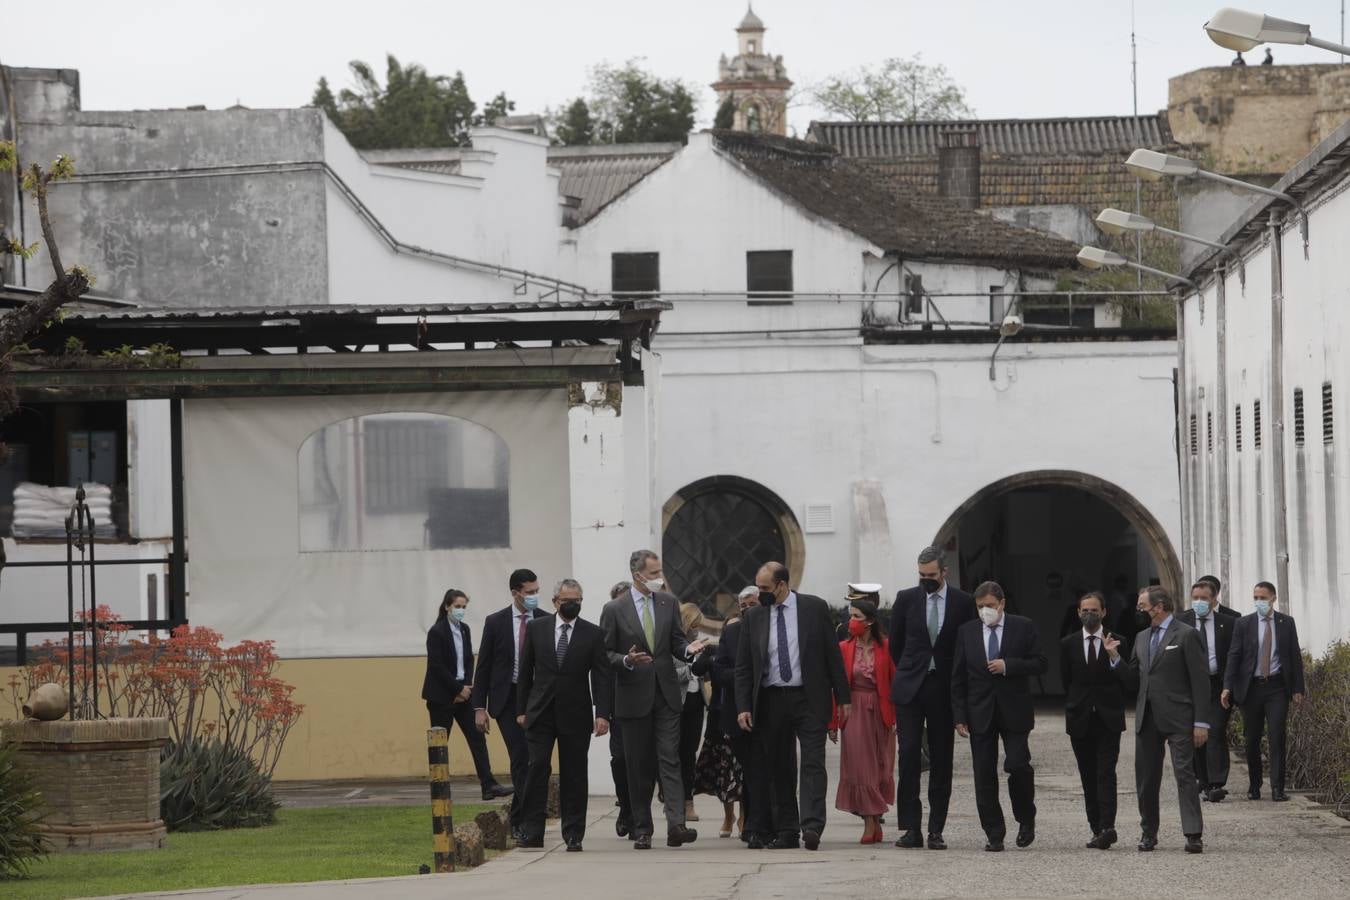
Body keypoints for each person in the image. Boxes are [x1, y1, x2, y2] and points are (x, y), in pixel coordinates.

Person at [735, 561, 851, 851]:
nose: (760, 594)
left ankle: (811, 826)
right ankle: (787, 830)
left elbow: (831, 655)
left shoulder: (814, 608)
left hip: (809, 697)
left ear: (782, 585)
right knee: (779, 767)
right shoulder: (755, 618)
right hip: (771, 699)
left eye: (764, 589)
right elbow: (744, 667)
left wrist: (843, 697)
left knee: (813, 762)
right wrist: (744, 706)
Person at [599, 550, 706, 850]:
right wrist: (627, 660)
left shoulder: (668, 602)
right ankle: (642, 828)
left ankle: (677, 825)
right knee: (638, 765)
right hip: (632, 696)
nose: (661, 578)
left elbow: (675, 641)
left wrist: (688, 650)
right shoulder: (614, 609)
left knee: (669, 759)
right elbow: (604, 655)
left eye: (661, 571)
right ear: (638, 576)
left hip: (666, 695)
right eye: (655, 573)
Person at [1104, 585, 1209, 854]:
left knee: (1184, 774)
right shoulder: (1140, 638)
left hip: (1179, 717)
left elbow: (1200, 681)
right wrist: (1114, 657)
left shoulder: (1187, 635)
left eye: (1142, 606)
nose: (1138, 610)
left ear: (1158, 606)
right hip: (1147, 717)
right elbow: (1133, 679)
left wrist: (1201, 722)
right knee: (1146, 778)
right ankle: (1148, 832)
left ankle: (1193, 833)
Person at [889, 545, 977, 850]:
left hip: (943, 690)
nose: (925, 580)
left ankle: (936, 829)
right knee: (910, 754)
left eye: (931, 575)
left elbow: (966, 646)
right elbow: (896, 645)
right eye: (921, 574)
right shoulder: (906, 599)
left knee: (942, 760)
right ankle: (911, 828)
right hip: (911, 688)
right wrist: (911, 670)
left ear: (944, 572)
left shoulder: (963, 602)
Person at [515, 579, 612, 851]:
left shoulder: (593, 634)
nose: (573, 605)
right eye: (568, 600)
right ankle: (532, 831)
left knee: (575, 774)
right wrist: (521, 710)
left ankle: (573, 834)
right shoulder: (537, 628)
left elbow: (602, 677)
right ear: (556, 601)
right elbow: (525, 672)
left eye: (577, 601)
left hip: (576, 713)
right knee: (536, 770)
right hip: (540, 713)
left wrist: (603, 714)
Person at [952, 581, 1047, 852]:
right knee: (983, 773)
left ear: (1002, 604)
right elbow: (958, 677)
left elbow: (1041, 662)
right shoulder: (967, 632)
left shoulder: (1022, 626)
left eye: (990, 606)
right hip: (979, 711)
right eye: (980, 607)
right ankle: (994, 832)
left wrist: (1009, 666)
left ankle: (1026, 817)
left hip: (1014, 710)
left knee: (1018, 765)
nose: (985, 611)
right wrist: (959, 714)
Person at [471, 568, 548, 840]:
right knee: (520, 757)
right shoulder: (496, 622)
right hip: (507, 699)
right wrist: (479, 707)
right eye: (529, 592)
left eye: (537, 591)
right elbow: (484, 667)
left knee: (535, 760)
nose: (534, 596)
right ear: (515, 593)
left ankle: (524, 816)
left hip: (537, 700)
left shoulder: (545, 620)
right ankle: (522, 820)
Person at [422, 589, 513, 804]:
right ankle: (439, 789)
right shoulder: (437, 631)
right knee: (440, 744)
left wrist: (467, 688)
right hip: (442, 697)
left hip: (464, 695)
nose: (461, 611)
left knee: (477, 737)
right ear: (447, 607)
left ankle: (488, 784)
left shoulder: (464, 629)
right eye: (457, 607)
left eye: (464, 607)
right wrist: (456, 689)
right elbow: (436, 666)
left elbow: (469, 661)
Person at [1221, 581, 1306, 802]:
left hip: (1277, 687)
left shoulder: (1286, 623)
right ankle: (1255, 784)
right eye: (1256, 597)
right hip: (1251, 688)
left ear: (1273, 598)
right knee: (1251, 739)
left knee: (1277, 735)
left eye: (1263, 597)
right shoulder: (1244, 624)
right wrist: (1227, 686)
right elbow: (1234, 656)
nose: (1259, 601)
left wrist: (1298, 688)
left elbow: (1294, 656)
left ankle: (1278, 788)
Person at [1060, 591, 1126, 850]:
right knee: (1087, 775)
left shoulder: (1118, 640)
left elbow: (1127, 679)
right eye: (1085, 610)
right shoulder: (1068, 643)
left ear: (1104, 612)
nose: (1089, 614)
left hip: (1109, 717)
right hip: (1080, 718)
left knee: (1105, 773)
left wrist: (1113, 657)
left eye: (1094, 610)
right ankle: (1096, 827)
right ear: (1078, 613)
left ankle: (1108, 826)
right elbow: (1067, 681)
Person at [830, 585, 895, 845]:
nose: (851, 622)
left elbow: (894, 680)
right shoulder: (844, 648)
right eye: (851, 616)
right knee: (861, 768)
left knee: (881, 766)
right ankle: (869, 822)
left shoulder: (886, 647)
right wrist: (833, 722)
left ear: (869, 622)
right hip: (854, 710)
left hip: (880, 712)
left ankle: (876, 820)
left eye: (856, 617)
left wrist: (895, 718)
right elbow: (836, 686)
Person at [1179, 580, 1236, 802]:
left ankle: (1216, 782)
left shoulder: (1229, 623)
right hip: (1190, 687)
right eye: (1196, 598)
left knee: (1215, 731)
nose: (1199, 602)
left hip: (1217, 686)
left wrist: (1229, 686)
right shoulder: (1181, 621)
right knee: (1196, 733)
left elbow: (1234, 655)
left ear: (1214, 599)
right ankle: (1201, 781)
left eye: (1204, 598)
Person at [706, 586, 756, 841]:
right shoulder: (732, 632)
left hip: (765, 712)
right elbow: (719, 671)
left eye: (753, 603)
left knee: (756, 771)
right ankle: (734, 817)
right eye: (744, 604)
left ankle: (752, 818)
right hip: (733, 713)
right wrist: (743, 677)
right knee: (735, 771)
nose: (748, 609)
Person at [676, 602, 714, 823]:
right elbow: (671, 672)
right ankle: (673, 798)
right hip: (676, 702)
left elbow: (704, 675)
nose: (696, 630)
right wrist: (692, 667)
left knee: (690, 753)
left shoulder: (701, 644)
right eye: (694, 625)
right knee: (673, 753)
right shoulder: (675, 643)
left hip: (696, 701)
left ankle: (688, 802)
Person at [606, 581, 635, 839]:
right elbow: (601, 669)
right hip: (617, 706)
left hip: (643, 702)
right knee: (620, 760)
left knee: (641, 762)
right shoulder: (609, 627)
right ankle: (625, 807)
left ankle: (638, 813)